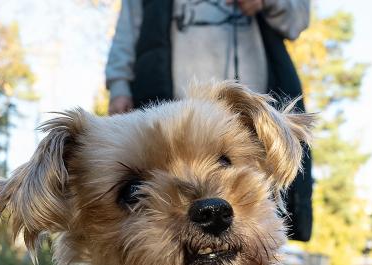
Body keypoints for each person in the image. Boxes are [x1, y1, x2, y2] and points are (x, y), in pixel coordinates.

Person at [105, 0, 314, 242]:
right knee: (163, 211)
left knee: (256, 206)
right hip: (165, 98)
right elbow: (128, 29)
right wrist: (119, 84)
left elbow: (296, 22)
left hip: (249, 100)